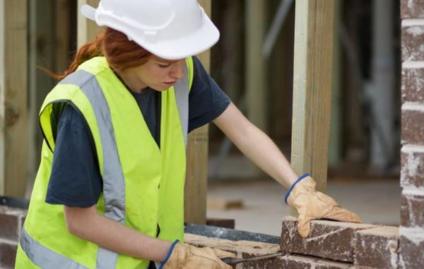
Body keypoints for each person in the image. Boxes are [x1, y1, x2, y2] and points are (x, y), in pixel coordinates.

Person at [15, 0, 360, 268]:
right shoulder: (81, 105)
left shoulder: (179, 74)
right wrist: (173, 256)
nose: (178, 73)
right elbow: (81, 222)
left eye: (183, 58)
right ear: (125, 55)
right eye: (165, 64)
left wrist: (299, 189)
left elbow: (241, 130)